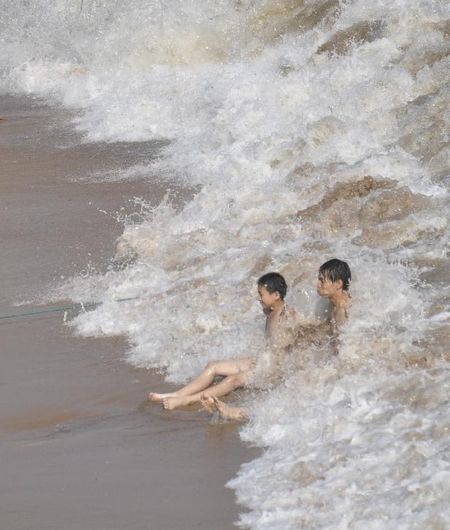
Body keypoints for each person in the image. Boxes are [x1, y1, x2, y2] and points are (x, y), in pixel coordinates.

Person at [205, 258, 352, 421]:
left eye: (322, 280)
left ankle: (240, 414)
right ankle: (243, 412)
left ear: (338, 284)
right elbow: (326, 330)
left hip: (339, 369)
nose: (317, 284)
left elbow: (343, 346)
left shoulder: (341, 310)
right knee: (290, 381)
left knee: (294, 388)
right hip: (330, 363)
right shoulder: (332, 303)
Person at [148, 272, 295, 410]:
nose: (258, 298)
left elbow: (295, 340)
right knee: (213, 366)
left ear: (276, 295)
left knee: (234, 379)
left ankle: (188, 400)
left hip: (275, 368)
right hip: (264, 360)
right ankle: (177, 394)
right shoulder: (270, 311)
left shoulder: (287, 314)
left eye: (261, 294)